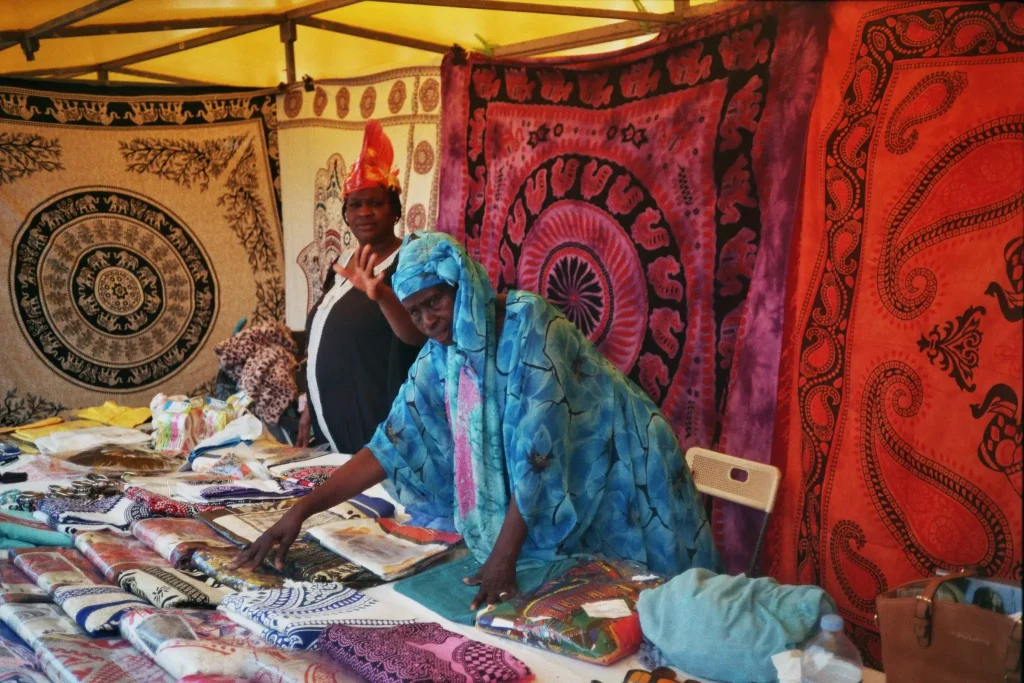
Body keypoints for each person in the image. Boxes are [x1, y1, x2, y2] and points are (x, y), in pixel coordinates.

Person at [236, 232, 719, 608]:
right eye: (414, 310)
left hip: (625, 464)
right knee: (590, 602)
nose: (427, 319)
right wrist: (299, 511)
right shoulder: (442, 356)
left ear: (463, 283)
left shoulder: (529, 327)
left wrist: (501, 559)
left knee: (650, 600)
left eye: (435, 301)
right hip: (564, 471)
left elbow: (541, 459)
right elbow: (392, 443)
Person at [299, 120, 425, 453]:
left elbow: (419, 335)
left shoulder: (410, 260)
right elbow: (321, 335)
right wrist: (309, 401)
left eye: (375, 203)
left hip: (383, 430)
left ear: (395, 210)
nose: (364, 212)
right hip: (333, 429)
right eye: (355, 204)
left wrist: (381, 295)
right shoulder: (341, 263)